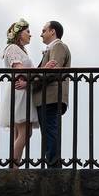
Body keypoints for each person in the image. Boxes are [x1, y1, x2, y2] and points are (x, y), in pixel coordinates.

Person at [0, 18, 38, 168]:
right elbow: (20, 69)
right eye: (27, 32)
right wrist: (42, 71)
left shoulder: (20, 50)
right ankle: (13, 165)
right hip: (20, 90)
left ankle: (14, 167)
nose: (30, 35)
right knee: (25, 131)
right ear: (19, 34)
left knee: (19, 132)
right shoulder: (13, 49)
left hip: (22, 90)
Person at [33, 20, 70, 168]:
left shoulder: (58, 46)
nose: (41, 34)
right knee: (48, 132)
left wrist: (30, 83)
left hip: (50, 97)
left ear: (52, 31)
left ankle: (54, 166)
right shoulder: (52, 48)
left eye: (44, 30)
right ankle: (52, 163)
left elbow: (53, 72)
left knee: (50, 132)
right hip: (47, 97)